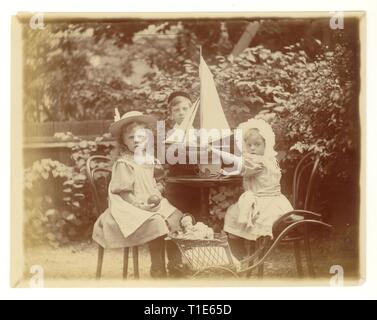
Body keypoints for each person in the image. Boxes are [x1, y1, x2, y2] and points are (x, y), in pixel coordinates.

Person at [92, 110, 183, 278]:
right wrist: (140, 205)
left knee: (176, 216)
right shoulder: (124, 163)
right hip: (128, 206)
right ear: (124, 142)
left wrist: (159, 189)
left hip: (149, 201)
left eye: (140, 137)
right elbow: (124, 193)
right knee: (156, 222)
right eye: (131, 138)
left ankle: (176, 264)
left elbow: (155, 182)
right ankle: (158, 270)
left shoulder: (148, 160)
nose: (136, 141)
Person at [210, 119, 299, 260]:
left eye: (257, 145)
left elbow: (239, 168)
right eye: (249, 145)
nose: (252, 148)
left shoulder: (258, 161)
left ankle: (240, 256)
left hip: (265, 205)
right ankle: (241, 254)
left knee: (232, 214)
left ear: (266, 145)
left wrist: (217, 156)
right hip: (276, 202)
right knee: (235, 212)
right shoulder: (269, 160)